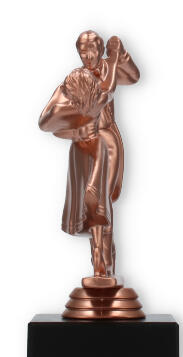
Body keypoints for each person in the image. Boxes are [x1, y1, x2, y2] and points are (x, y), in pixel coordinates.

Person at [39, 31, 140, 277]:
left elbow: (133, 77)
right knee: (89, 203)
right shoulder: (76, 81)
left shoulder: (107, 68)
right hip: (83, 146)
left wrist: (120, 55)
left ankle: (105, 262)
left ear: (100, 49)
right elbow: (46, 121)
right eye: (82, 52)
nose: (88, 56)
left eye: (92, 50)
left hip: (107, 143)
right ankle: (100, 262)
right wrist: (76, 130)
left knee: (100, 197)